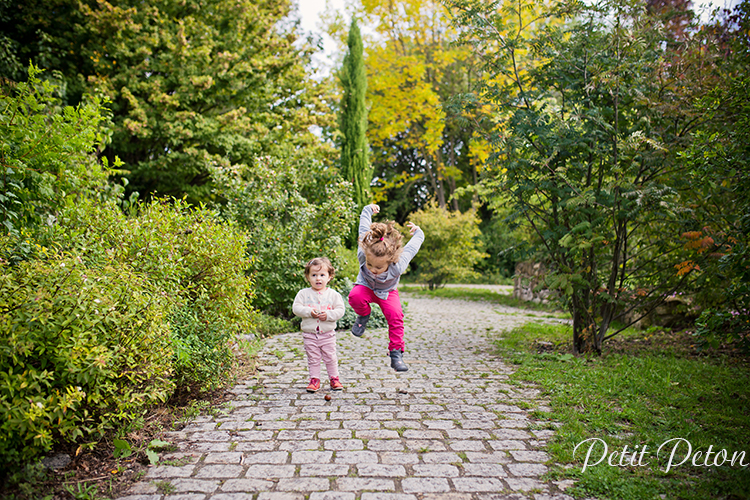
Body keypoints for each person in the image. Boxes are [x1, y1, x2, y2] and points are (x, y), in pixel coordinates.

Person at [348, 203, 424, 372]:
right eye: (369, 265)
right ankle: (363, 315)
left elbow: (412, 248)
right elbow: (363, 228)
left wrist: (419, 233)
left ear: (390, 262)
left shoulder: (398, 264)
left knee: (396, 316)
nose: (373, 270)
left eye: (378, 268)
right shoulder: (364, 252)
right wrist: (367, 210)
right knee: (355, 296)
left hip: (388, 291)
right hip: (366, 286)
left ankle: (396, 353)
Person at [292, 257, 346, 392]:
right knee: (313, 358)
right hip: (310, 333)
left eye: (322, 275)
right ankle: (314, 379)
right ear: (307, 277)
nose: (318, 279)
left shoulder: (333, 295)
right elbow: (296, 308)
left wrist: (328, 315)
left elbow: (340, 310)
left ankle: (334, 378)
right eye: (314, 275)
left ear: (329, 277)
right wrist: (309, 312)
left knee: (330, 357)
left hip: (327, 333)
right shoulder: (303, 294)